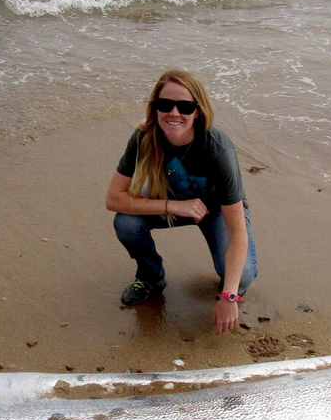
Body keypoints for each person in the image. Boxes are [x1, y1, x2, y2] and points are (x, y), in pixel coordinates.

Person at [105, 69, 258, 334]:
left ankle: (230, 286)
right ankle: (151, 277)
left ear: (198, 111)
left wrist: (229, 297)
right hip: (174, 205)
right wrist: (172, 206)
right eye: (165, 105)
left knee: (240, 278)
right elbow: (113, 198)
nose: (174, 113)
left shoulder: (217, 146)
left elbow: (237, 231)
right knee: (126, 223)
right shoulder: (144, 138)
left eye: (185, 106)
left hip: (217, 211)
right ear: (155, 108)